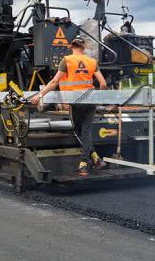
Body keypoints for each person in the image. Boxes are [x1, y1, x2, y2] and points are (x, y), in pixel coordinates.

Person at [30, 36, 108, 176]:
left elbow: (54, 82)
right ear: (83, 48)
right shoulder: (92, 62)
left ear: (72, 47)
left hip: (76, 102)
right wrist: (98, 96)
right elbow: (103, 83)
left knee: (79, 132)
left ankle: (83, 164)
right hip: (90, 101)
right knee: (86, 132)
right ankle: (96, 159)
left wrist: (39, 95)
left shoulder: (67, 60)